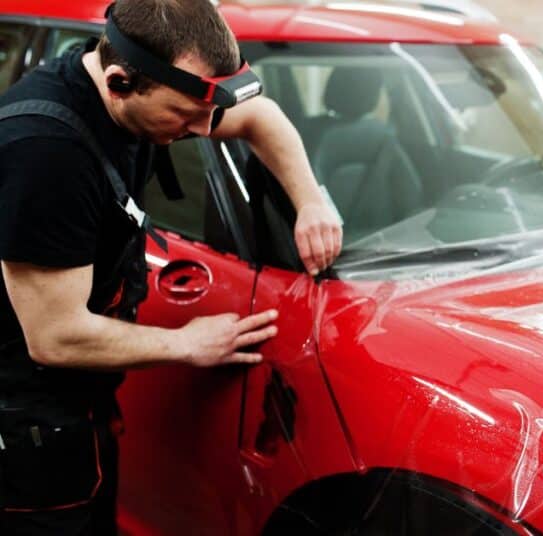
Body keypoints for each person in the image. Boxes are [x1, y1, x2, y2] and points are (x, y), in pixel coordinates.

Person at [0, 0, 342, 533]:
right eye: (185, 117)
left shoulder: (137, 88)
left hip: (82, 405)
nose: (205, 131)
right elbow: (54, 336)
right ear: (119, 82)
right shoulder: (43, 155)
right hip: (28, 423)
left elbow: (261, 115)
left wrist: (312, 202)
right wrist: (188, 342)